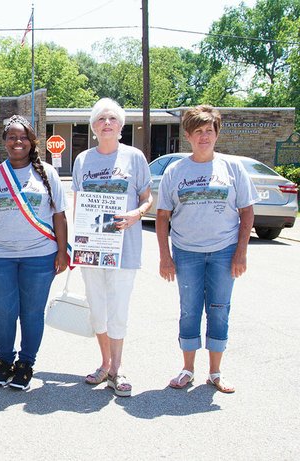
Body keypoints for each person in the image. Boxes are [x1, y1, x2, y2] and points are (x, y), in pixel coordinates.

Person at [156, 105, 257, 394]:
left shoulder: (233, 168)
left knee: (219, 309)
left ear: (216, 134)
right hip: (186, 252)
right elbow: (162, 217)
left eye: (209, 131)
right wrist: (166, 257)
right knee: (189, 311)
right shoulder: (176, 170)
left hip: (224, 252)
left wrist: (241, 252)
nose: (204, 136)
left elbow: (247, 212)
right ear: (188, 135)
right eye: (198, 131)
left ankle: (215, 372)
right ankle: (187, 369)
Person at [0, 115, 69, 391]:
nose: (18, 142)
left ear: (32, 142)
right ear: (4, 142)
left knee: (31, 313)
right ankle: (4, 362)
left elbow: (60, 216)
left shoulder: (47, 173)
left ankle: (26, 364)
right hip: (0, 255)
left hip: (40, 256)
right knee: (2, 313)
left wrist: (62, 252)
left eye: (23, 137)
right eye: (12, 137)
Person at [71, 98, 153, 397]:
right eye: (101, 119)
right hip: (93, 244)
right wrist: (77, 244)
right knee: (98, 309)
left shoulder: (134, 158)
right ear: (94, 127)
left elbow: (147, 197)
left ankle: (118, 368)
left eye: (113, 119)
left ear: (121, 126)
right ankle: (104, 362)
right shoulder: (83, 161)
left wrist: (137, 213)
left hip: (124, 245)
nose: (107, 123)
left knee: (118, 308)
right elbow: (79, 203)